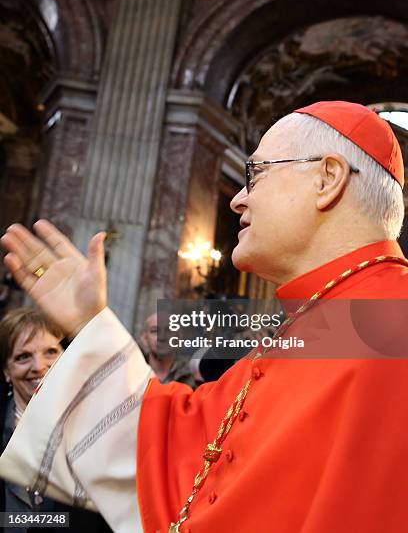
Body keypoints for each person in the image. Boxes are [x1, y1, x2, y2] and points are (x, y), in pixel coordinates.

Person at [0, 100, 407, 533]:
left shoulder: (388, 321)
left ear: (327, 178)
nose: (237, 199)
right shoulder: (328, 321)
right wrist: (89, 324)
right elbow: (188, 446)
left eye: (256, 173)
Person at [0, 307, 113, 533]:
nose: (39, 366)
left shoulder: (101, 429)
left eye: (50, 352)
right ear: (6, 372)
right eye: (23, 357)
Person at [140, 313, 195, 388]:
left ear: (179, 336)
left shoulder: (194, 374)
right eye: (155, 331)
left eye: (169, 330)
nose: (162, 337)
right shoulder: (130, 373)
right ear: (144, 338)